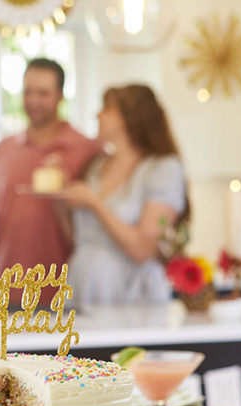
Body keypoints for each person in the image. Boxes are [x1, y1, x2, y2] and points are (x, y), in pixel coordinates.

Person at [0, 57, 101, 306]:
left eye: (43, 93)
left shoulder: (86, 149)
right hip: (2, 287)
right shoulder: (4, 149)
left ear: (60, 96)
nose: (33, 101)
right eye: (28, 92)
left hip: (62, 291)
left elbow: (96, 222)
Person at [57, 84, 189, 306]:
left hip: (129, 291)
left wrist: (94, 203)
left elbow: (142, 250)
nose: (97, 115)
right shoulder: (96, 167)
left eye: (106, 109)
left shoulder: (162, 169)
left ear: (129, 118)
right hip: (83, 283)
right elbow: (77, 237)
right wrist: (60, 197)